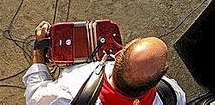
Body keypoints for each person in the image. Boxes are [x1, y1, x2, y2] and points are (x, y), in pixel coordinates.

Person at [23, 21, 186, 105]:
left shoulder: (70, 90)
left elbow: (35, 97)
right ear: (156, 81)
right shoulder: (172, 94)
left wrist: (39, 49)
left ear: (118, 55)